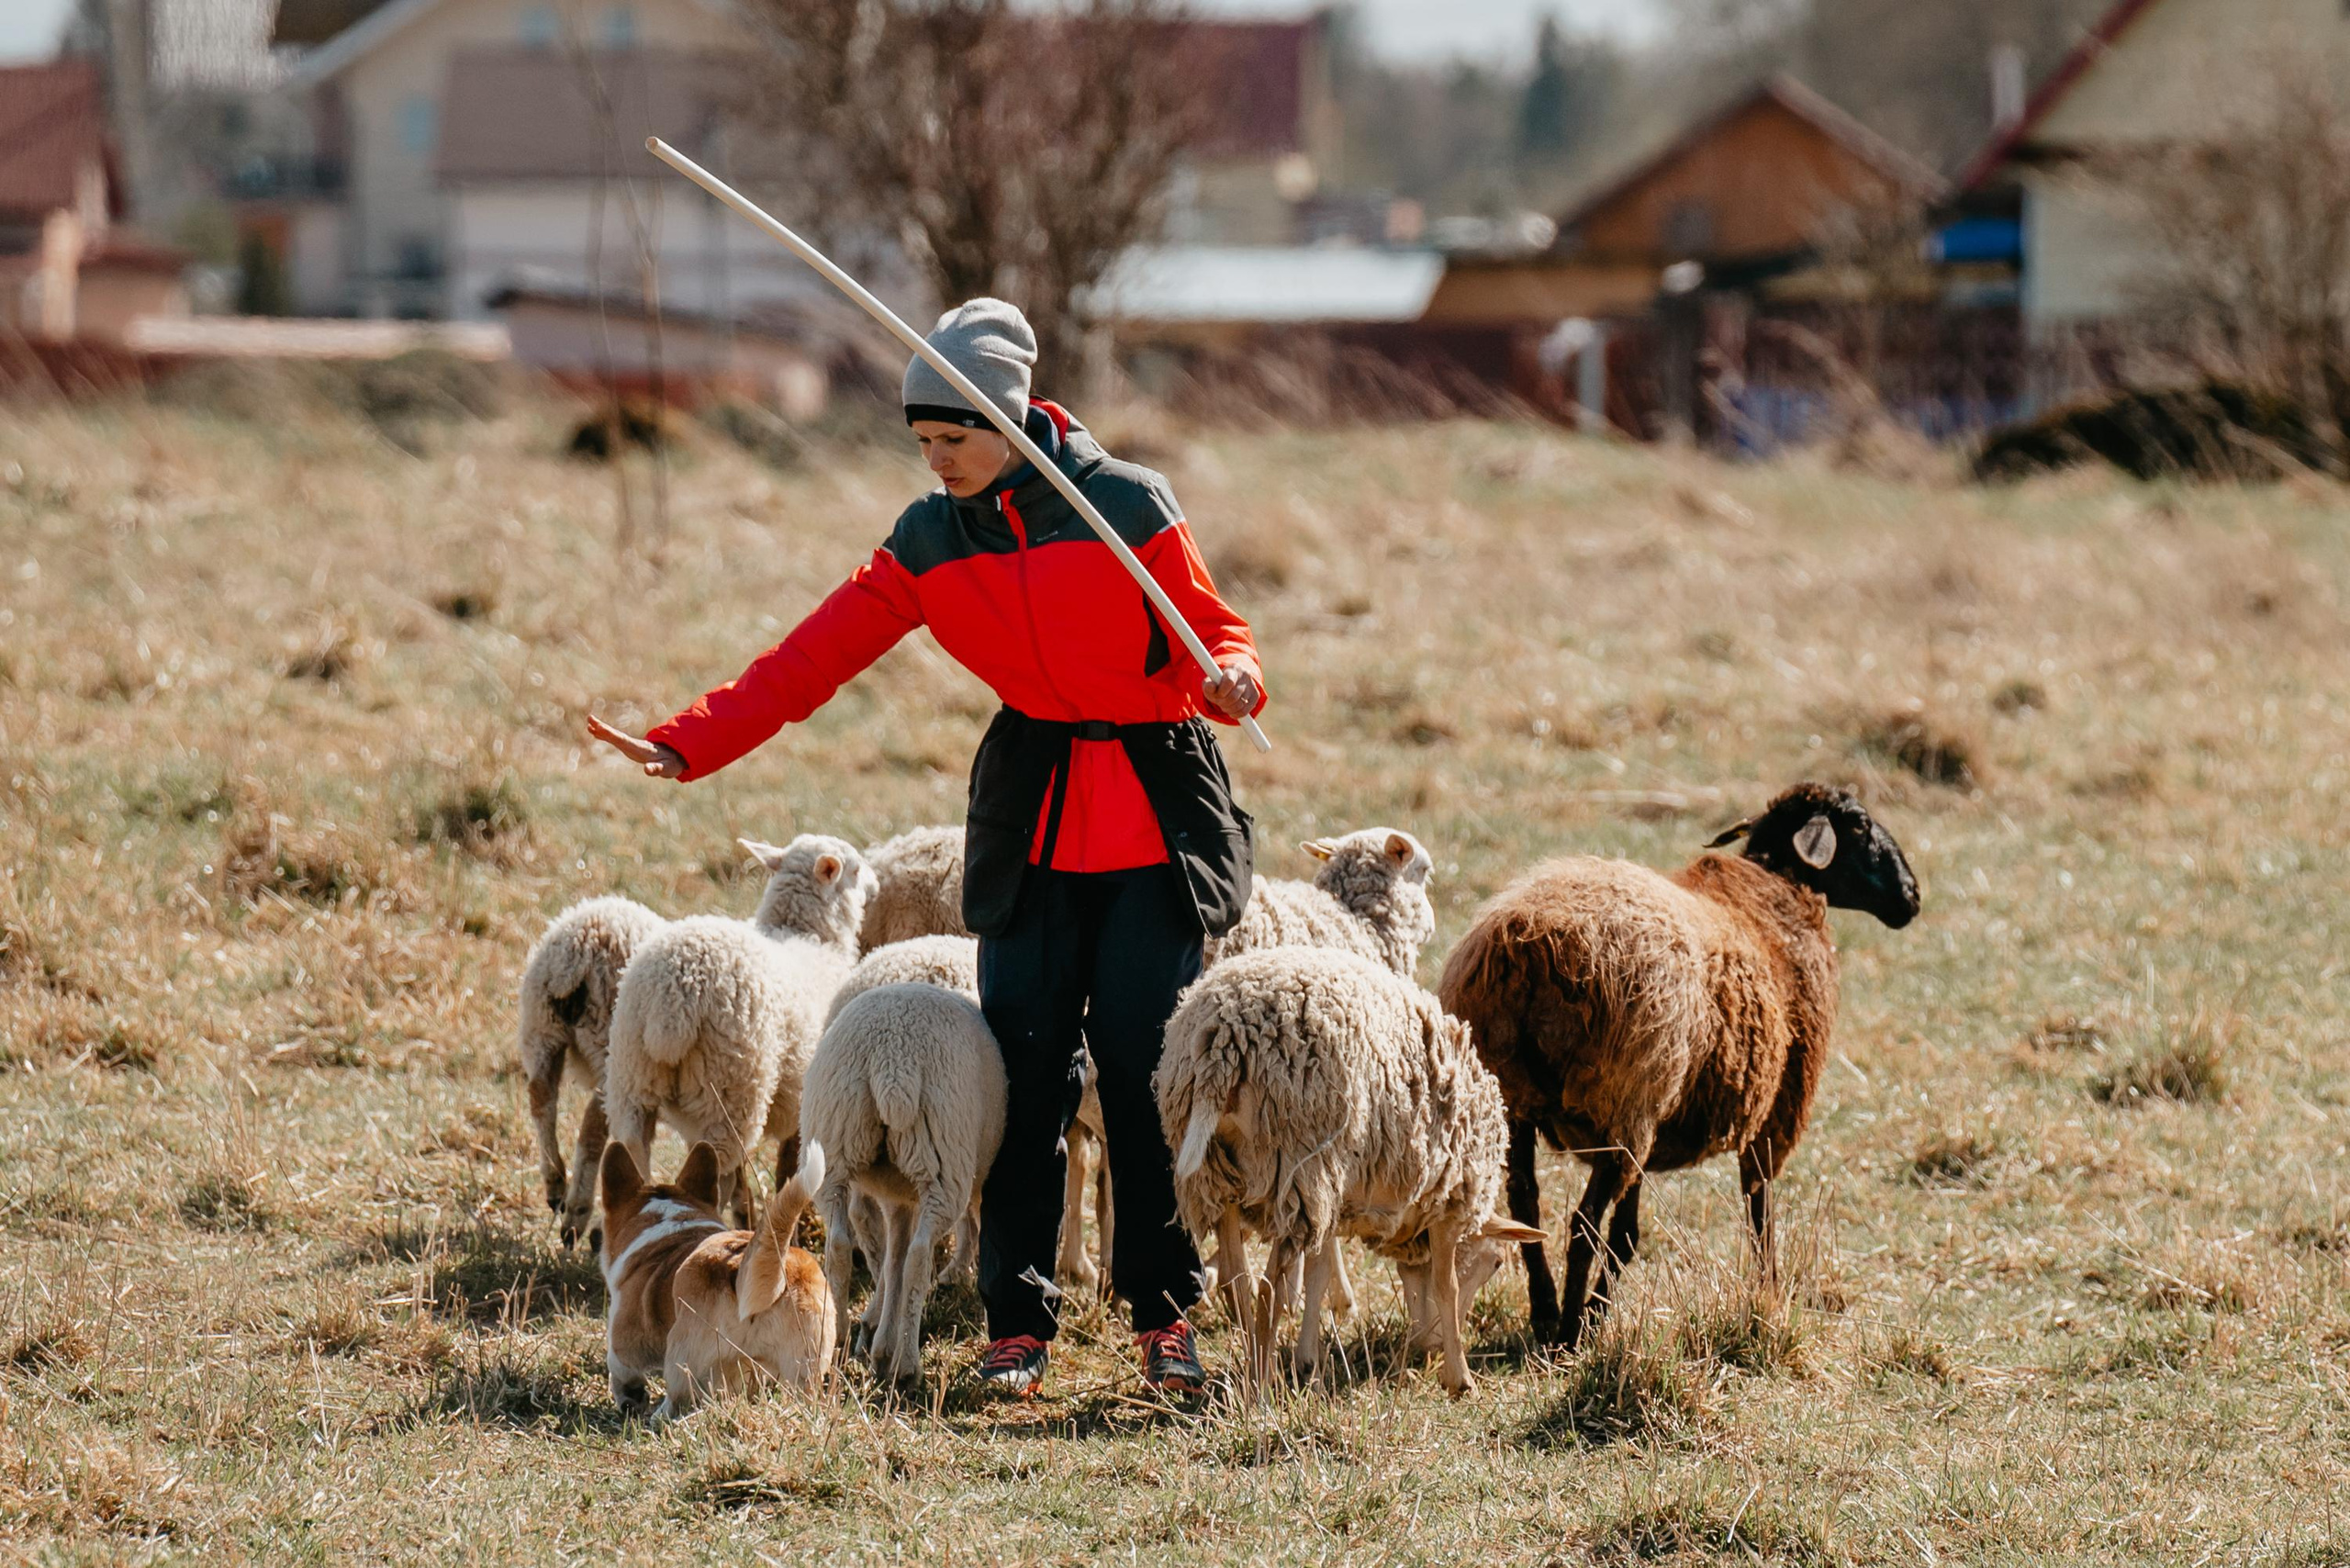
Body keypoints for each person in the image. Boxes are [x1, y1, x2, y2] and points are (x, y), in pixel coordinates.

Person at [588, 298, 1265, 1397]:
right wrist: (689, 741)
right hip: (1030, 816)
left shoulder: (1128, 505)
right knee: (1022, 1078)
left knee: (1145, 1080)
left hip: (1151, 817)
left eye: (955, 437)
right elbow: (809, 658)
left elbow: (1213, 631)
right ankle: (1017, 1328)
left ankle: (1163, 1320)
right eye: (924, 441)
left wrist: (1234, 679)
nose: (938, 459)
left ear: (1010, 420)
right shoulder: (929, 539)